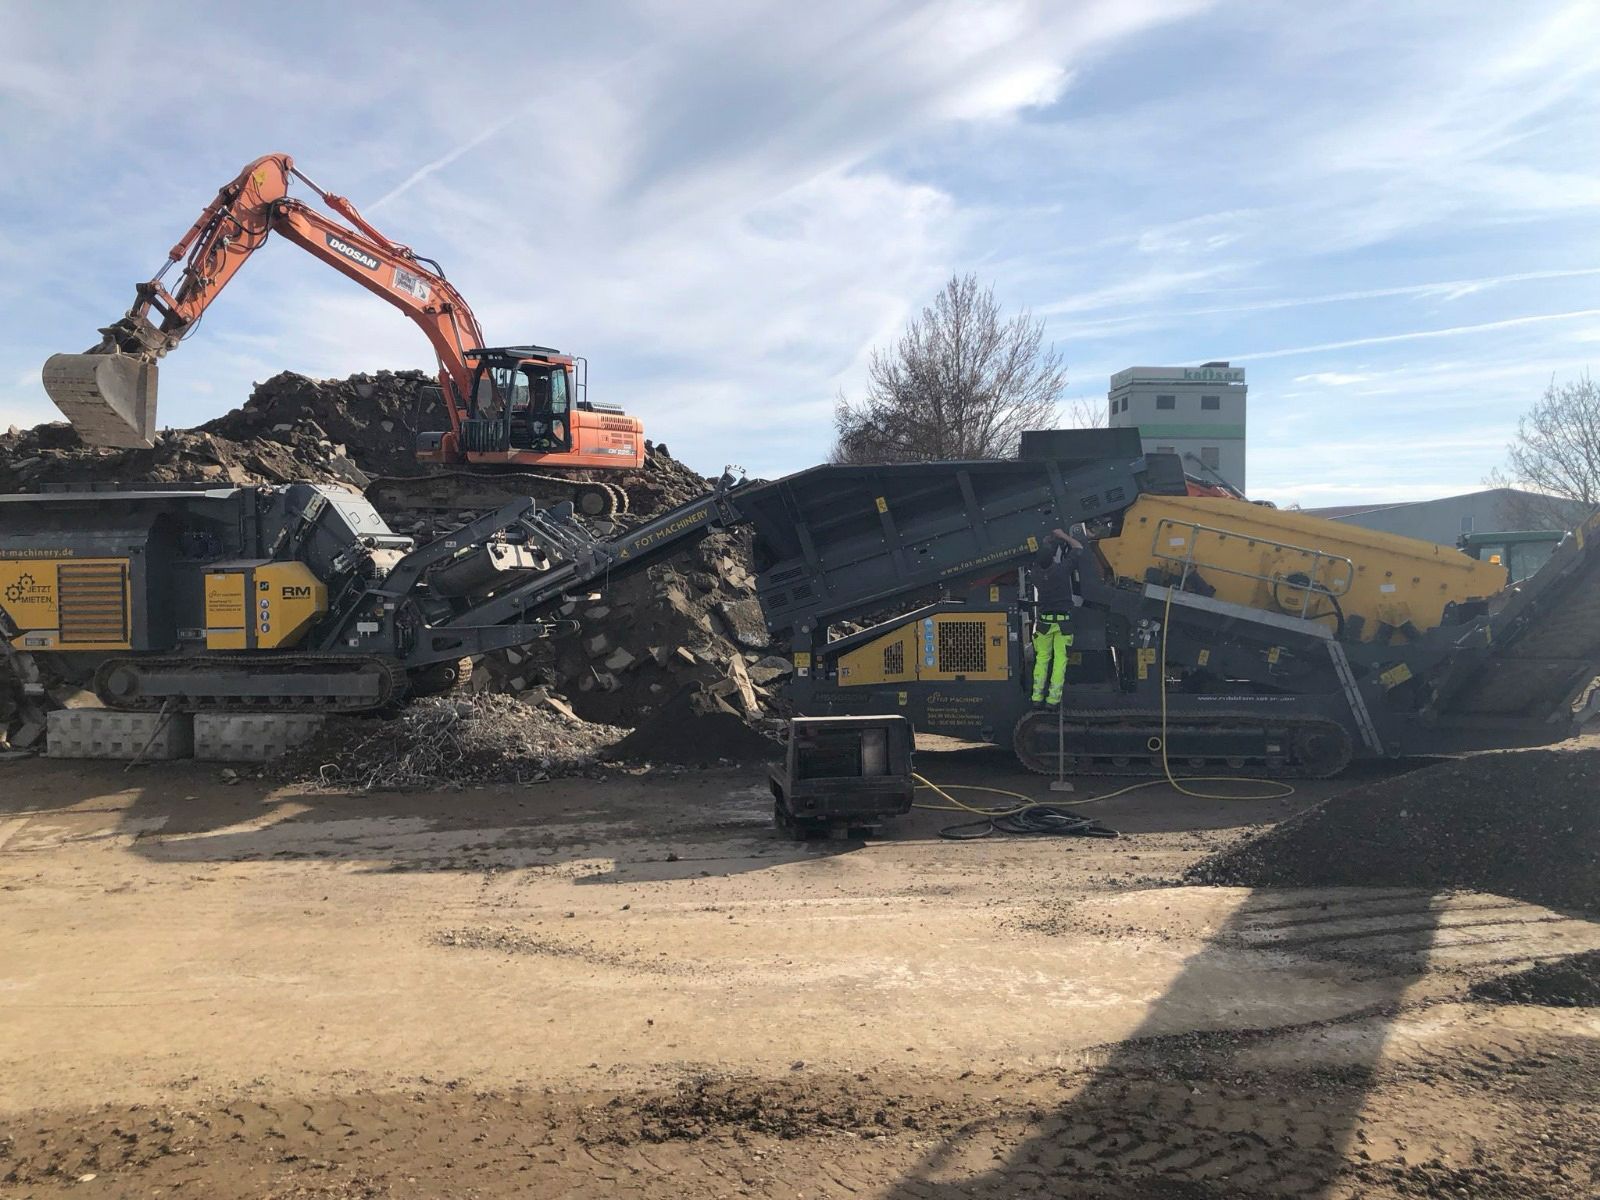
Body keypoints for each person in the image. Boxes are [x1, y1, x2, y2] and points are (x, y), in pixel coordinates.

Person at [1030, 527, 1083, 706]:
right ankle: (1053, 700)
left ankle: (1037, 697)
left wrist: (1047, 542)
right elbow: (1078, 547)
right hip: (1063, 625)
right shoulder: (1061, 571)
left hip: (1044, 624)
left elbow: (1041, 560)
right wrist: (1062, 536)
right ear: (1054, 558)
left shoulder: (1035, 575)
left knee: (1042, 659)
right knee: (1060, 660)